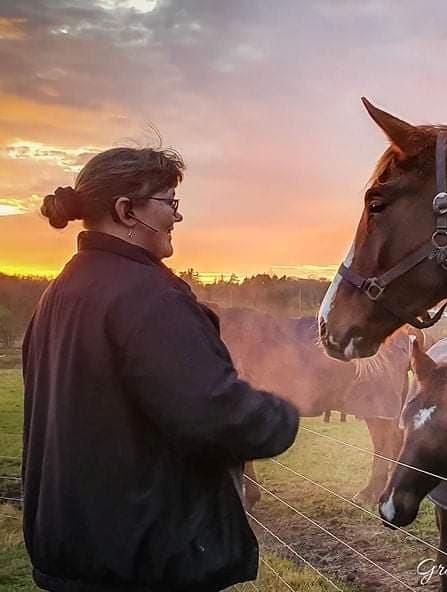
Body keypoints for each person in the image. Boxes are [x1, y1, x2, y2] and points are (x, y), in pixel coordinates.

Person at [21, 146, 304, 591]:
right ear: (126, 210)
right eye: (170, 203)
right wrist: (282, 414)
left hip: (77, 554)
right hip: (143, 563)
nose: (178, 217)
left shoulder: (61, 291)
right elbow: (210, 412)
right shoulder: (149, 296)